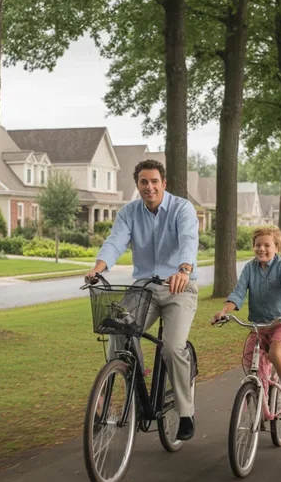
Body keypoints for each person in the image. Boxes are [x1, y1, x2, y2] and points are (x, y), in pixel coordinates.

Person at [85, 159, 200, 440]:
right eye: (143, 182)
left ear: (164, 184)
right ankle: (125, 381)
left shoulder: (182, 208)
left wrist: (184, 269)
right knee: (117, 327)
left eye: (154, 181)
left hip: (178, 288)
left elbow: (188, 239)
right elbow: (115, 242)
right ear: (137, 185)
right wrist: (98, 268)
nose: (149, 187)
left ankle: (186, 412)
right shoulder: (129, 212)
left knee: (172, 348)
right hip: (144, 288)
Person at [212, 226, 281, 421]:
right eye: (257, 245)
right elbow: (238, 292)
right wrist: (224, 311)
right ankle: (260, 399)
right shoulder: (249, 268)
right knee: (249, 358)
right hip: (259, 325)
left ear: (277, 248)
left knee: (275, 354)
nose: (261, 249)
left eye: (267, 245)